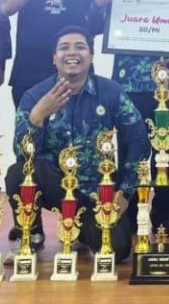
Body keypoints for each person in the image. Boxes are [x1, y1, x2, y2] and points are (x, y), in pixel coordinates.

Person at [9, 26, 148, 262]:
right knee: (18, 173)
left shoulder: (111, 92)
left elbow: (138, 139)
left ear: (91, 56)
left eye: (80, 47)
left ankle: (81, 232)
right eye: (64, 47)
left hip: (97, 192)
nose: (72, 52)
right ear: (54, 57)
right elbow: (22, 155)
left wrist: (125, 192)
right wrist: (37, 117)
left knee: (116, 249)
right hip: (55, 185)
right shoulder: (35, 95)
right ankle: (31, 234)